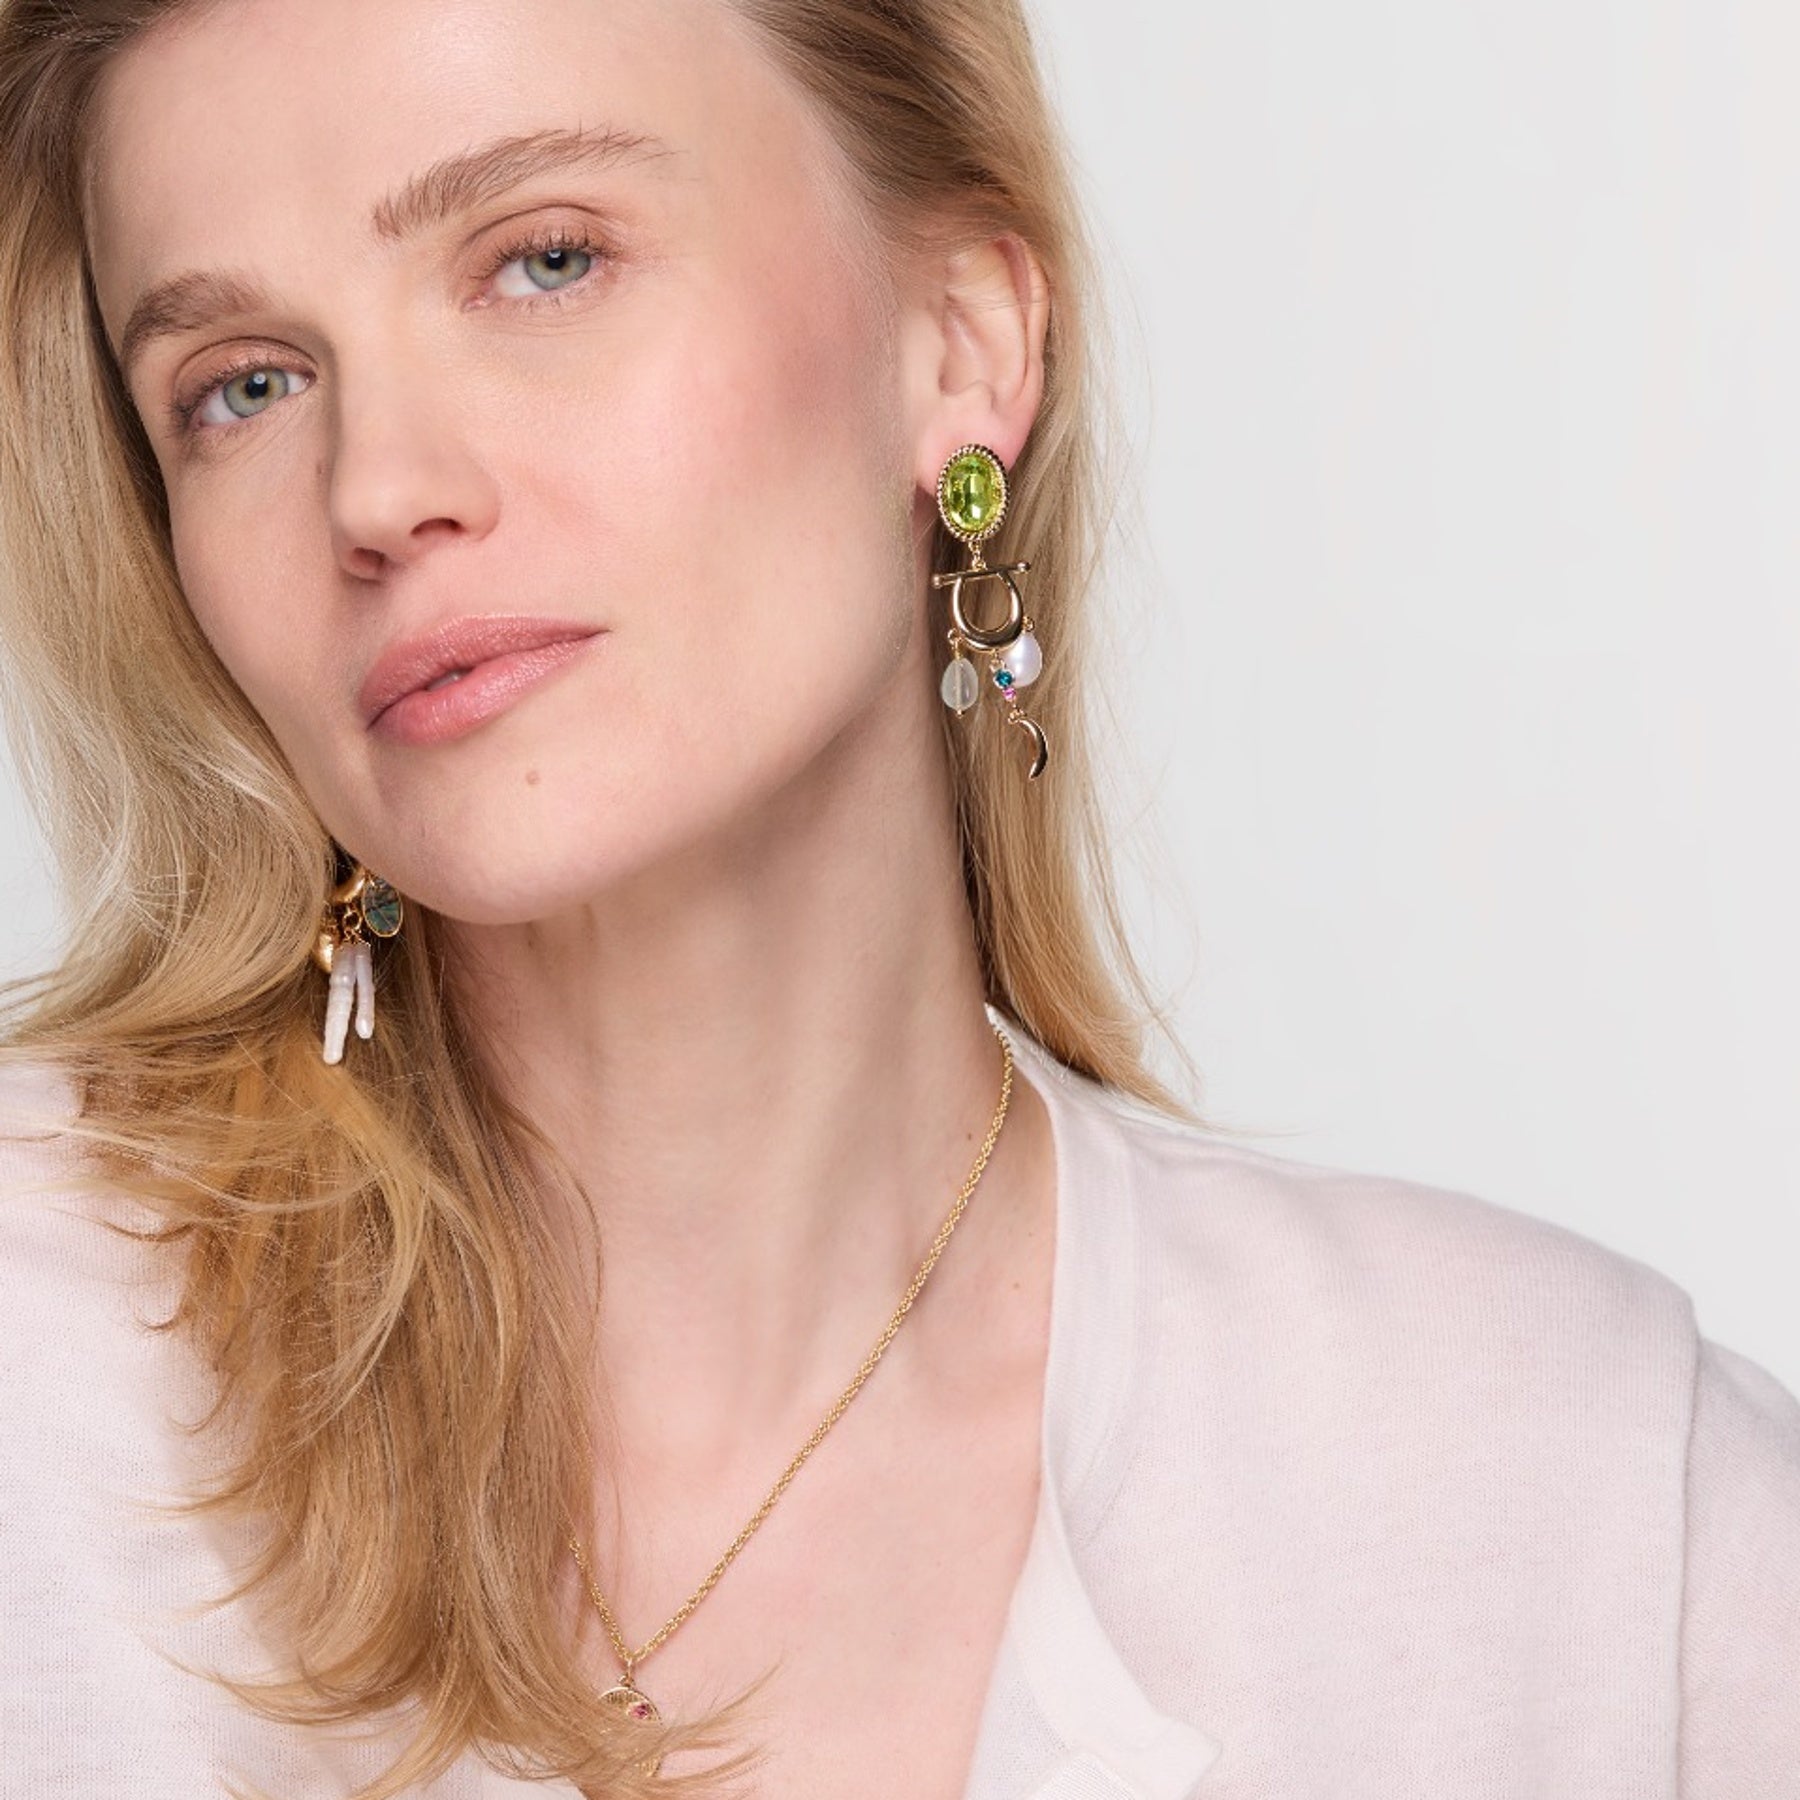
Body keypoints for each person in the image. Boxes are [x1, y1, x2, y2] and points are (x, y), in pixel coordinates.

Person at [0, 0, 1794, 1796]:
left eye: (544, 261)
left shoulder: (1588, 1516)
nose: (379, 490)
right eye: (242, 384)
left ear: (960, 340)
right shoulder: (46, 1380)